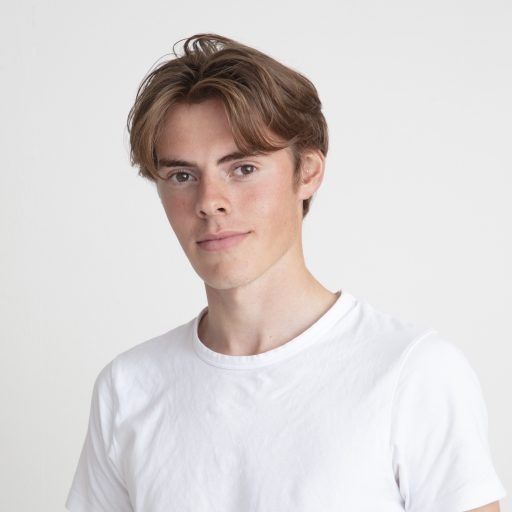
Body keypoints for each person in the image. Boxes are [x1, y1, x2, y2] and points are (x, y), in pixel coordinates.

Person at [65, 33, 506, 511]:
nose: (209, 201)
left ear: (308, 172)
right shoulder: (127, 388)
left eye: (243, 169)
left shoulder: (413, 373)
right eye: (182, 176)